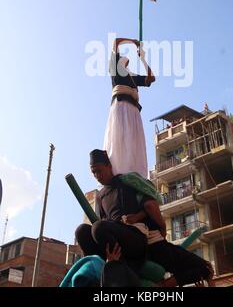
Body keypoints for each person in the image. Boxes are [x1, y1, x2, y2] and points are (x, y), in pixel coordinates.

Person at [75, 149, 214, 287]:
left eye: (99, 170)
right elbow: (104, 225)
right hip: (117, 244)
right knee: (82, 230)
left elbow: (150, 205)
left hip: (137, 240)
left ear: (109, 166)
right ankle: (101, 267)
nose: (96, 175)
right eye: (93, 172)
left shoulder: (127, 181)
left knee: (98, 227)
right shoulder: (100, 196)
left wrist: (152, 223)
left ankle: (122, 269)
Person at [103, 37, 155, 178]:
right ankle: (118, 171)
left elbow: (151, 78)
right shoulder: (114, 69)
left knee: (133, 142)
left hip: (133, 110)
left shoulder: (132, 77)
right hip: (121, 106)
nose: (127, 61)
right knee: (120, 139)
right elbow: (115, 41)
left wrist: (143, 59)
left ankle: (135, 172)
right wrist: (133, 42)